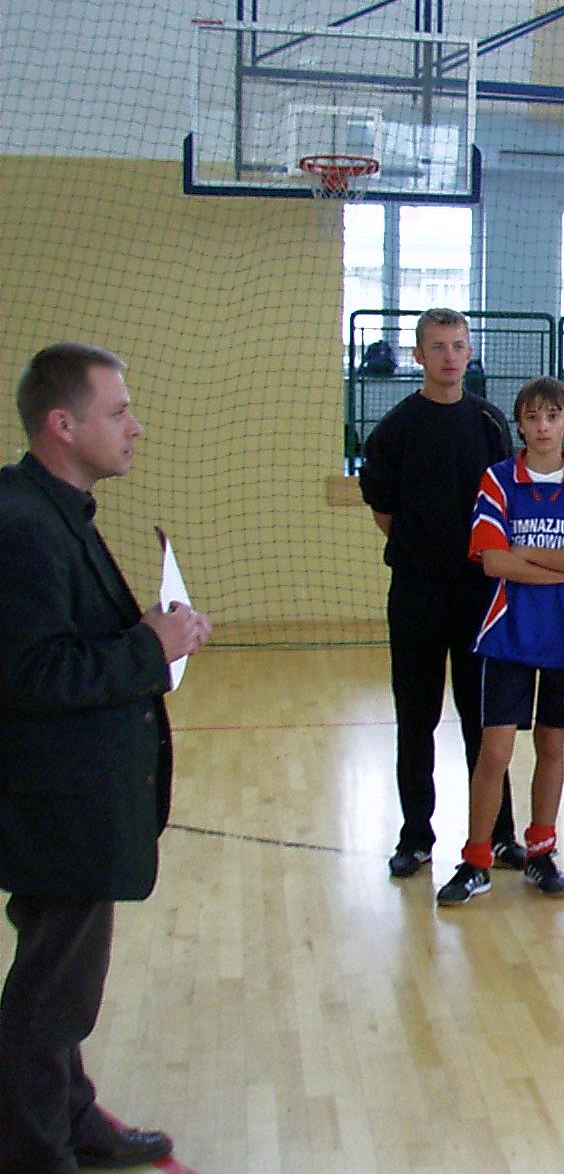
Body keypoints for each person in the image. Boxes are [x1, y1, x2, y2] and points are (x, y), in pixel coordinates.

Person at [0, 343, 211, 1173]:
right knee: (51, 994)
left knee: (63, 983)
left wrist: (154, 635)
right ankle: (34, 1150)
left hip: (71, 797)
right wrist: (150, 649)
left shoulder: (54, 510)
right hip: (55, 802)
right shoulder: (23, 527)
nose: (135, 426)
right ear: (63, 424)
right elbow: (32, 673)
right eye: (118, 412)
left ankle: (71, 1114)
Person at [359, 308, 524, 879]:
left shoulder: (490, 423)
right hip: (417, 595)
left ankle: (498, 834)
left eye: (458, 345)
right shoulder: (396, 428)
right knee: (416, 719)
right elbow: (384, 510)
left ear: (469, 352)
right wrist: (425, 551)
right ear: (418, 356)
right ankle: (416, 836)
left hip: (480, 596)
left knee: (485, 722)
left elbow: (507, 502)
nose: (449, 356)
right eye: (437, 346)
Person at [436, 379, 564, 906]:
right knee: (494, 751)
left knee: (552, 746)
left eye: (552, 416)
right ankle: (476, 860)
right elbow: (493, 562)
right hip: (507, 632)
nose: (542, 427)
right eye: (532, 417)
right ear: (520, 425)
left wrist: (525, 554)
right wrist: (559, 565)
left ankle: (541, 852)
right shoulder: (497, 480)